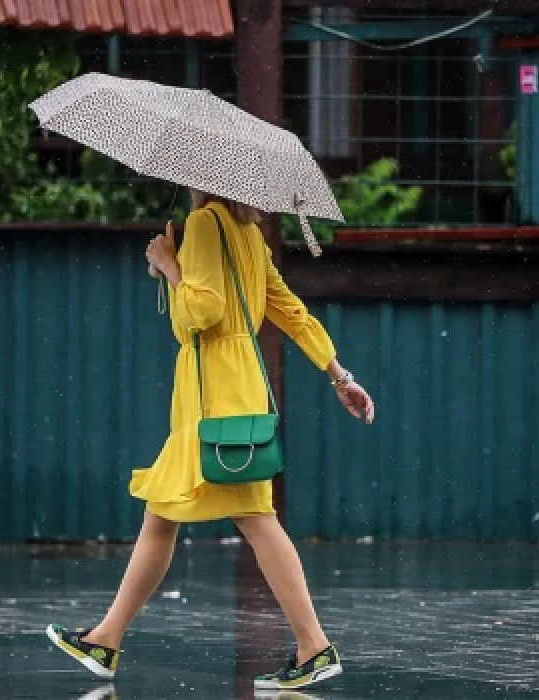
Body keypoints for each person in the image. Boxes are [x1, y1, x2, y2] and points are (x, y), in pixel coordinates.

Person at [46, 190, 375, 691]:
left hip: (211, 393)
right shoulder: (249, 233)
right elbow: (288, 309)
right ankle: (107, 638)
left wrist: (169, 265)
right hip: (235, 388)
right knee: (169, 510)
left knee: (249, 517)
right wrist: (338, 374)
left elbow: (201, 311)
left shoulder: (203, 224)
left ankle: (314, 645)